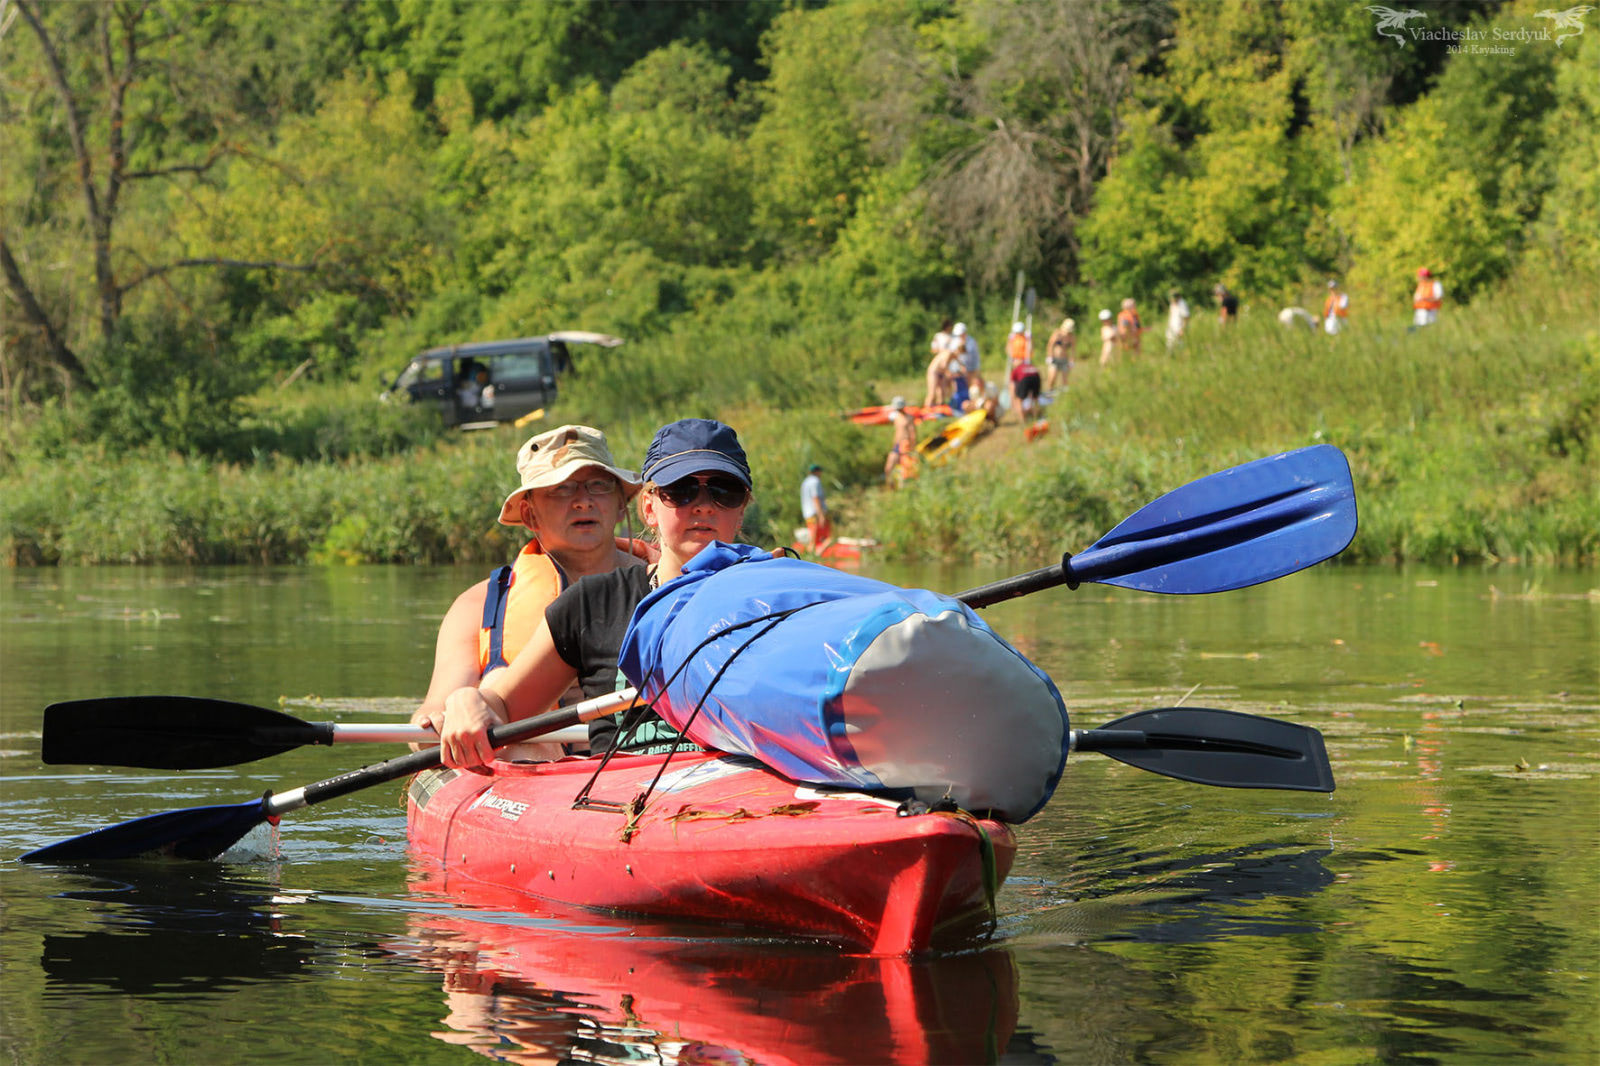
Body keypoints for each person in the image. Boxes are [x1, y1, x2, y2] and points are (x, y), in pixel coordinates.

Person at [434, 418, 757, 769]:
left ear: (742, 510)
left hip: (741, 789)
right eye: (680, 490)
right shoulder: (587, 605)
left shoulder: (781, 596)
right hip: (616, 797)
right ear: (648, 507)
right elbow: (500, 705)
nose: (704, 506)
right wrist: (465, 700)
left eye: (725, 491)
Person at [411, 425, 650, 760]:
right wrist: (456, 709)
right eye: (561, 489)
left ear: (620, 504)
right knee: (501, 696)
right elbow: (426, 726)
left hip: (645, 771)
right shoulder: (478, 606)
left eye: (599, 485)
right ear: (528, 513)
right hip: (536, 779)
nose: (583, 502)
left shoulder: (666, 584)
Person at [799, 463, 832, 553]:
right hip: (815, 514)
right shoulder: (815, 481)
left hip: (807, 514)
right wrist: (821, 515)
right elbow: (815, 498)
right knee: (827, 538)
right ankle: (818, 556)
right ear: (818, 472)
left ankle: (813, 556)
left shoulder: (805, 482)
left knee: (813, 538)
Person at [884, 396, 917, 487]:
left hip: (906, 446)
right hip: (897, 446)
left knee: (906, 470)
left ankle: (905, 489)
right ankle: (889, 487)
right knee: (888, 468)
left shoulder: (909, 418)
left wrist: (912, 448)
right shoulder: (896, 417)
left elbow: (913, 434)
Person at [1008, 350, 1043, 427]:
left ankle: (1023, 422)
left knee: (1019, 400)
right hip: (1036, 377)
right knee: (1035, 398)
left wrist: (1013, 400)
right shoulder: (1030, 366)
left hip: (1025, 378)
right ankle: (1036, 417)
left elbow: (1012, 386)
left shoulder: (1016, 369)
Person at [1044, 317, 1074, 392]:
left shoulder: (1071, 337)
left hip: (1064, 359)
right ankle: (1049, 390)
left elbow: (1073, 349)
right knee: (1052, 376)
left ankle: (1064, 393)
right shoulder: (1057, 333)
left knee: (1065, 378)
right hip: (1055, 358)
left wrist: (1072, 360)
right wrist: (1049, 356)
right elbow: (1050, 345)